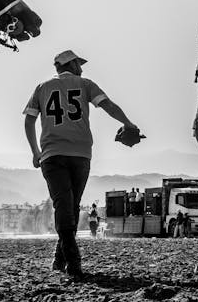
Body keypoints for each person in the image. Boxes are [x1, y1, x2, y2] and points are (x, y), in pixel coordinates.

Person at [24, 49, 141, 277]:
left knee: (64, 206)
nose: (82, 68)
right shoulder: (85, 84)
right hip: (81, 154)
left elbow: (29, 121)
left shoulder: (42, 88)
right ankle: (73, 260)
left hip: (52, 154)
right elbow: (108, 106)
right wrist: (128, 124)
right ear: (71, 64)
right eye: (79, 64)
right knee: (71, 206)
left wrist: (35, 152)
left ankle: (61, 258)